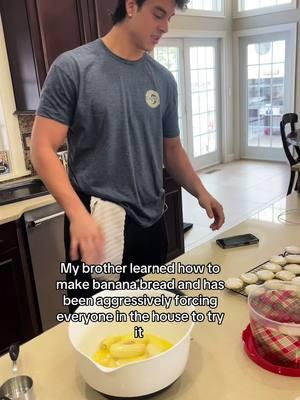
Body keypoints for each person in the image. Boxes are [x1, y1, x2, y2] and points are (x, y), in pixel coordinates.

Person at [30, 0, 225, 309]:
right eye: (158, 14)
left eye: (170, 18)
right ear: (131, 5)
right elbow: (41, 148)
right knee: (96, 324)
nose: (165, 26)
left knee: (148, 318)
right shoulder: (74, 68)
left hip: (150, 224)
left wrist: (201, 193)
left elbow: (171, 148)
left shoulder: (162, 80)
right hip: (97, 223)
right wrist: (77, 215)